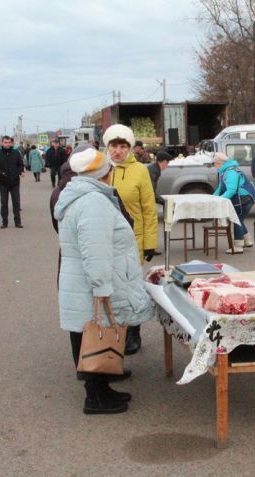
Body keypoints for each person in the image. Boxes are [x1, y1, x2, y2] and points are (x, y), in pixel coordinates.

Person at [54, 144, 155, 414]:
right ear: (102, 174)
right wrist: (102, 287)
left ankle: (102, 391)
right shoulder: (92, 202)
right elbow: (95, 250)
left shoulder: (80, 196)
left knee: (93, 335)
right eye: (109, 169)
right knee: (95, 335)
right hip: (91, 285)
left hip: (82, 282)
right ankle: (95, 398)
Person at [104, 124, 158, 355]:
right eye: (114, 146)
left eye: (123, 146)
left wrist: (149, 243)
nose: (118, 151)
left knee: (131, 288)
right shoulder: (101, 169)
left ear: (129, 148)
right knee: (109, 287)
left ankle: (133, 333)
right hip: (106, 239)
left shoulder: (140, 171)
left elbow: (148, 209)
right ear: (107, 147)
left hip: (132, 240)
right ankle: (112, 332)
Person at [212, 152, 255, 254]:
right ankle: (248, 240)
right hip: (244, 197)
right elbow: (220, 188)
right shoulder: (225, 171)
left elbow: (231, 190)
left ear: (220, 163)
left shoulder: (230, 172)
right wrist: (212, 198)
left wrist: (220, 200)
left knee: (237, 220)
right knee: (239, 219)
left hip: (245, 198)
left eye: (215, 164)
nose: (214, 166)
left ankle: (238, 246)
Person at [0, 135, 25, 228]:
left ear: (11, 143)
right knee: (4, 203)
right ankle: (4, 222)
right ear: (2, 143)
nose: (7, 144)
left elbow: (21, 165)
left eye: (9, 142)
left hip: (15, 182)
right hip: (3, 182)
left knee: (16, 203)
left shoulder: (16, 153)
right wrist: (2, 173)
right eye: (5, 142)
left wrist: (19, 172)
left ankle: (18, 222)